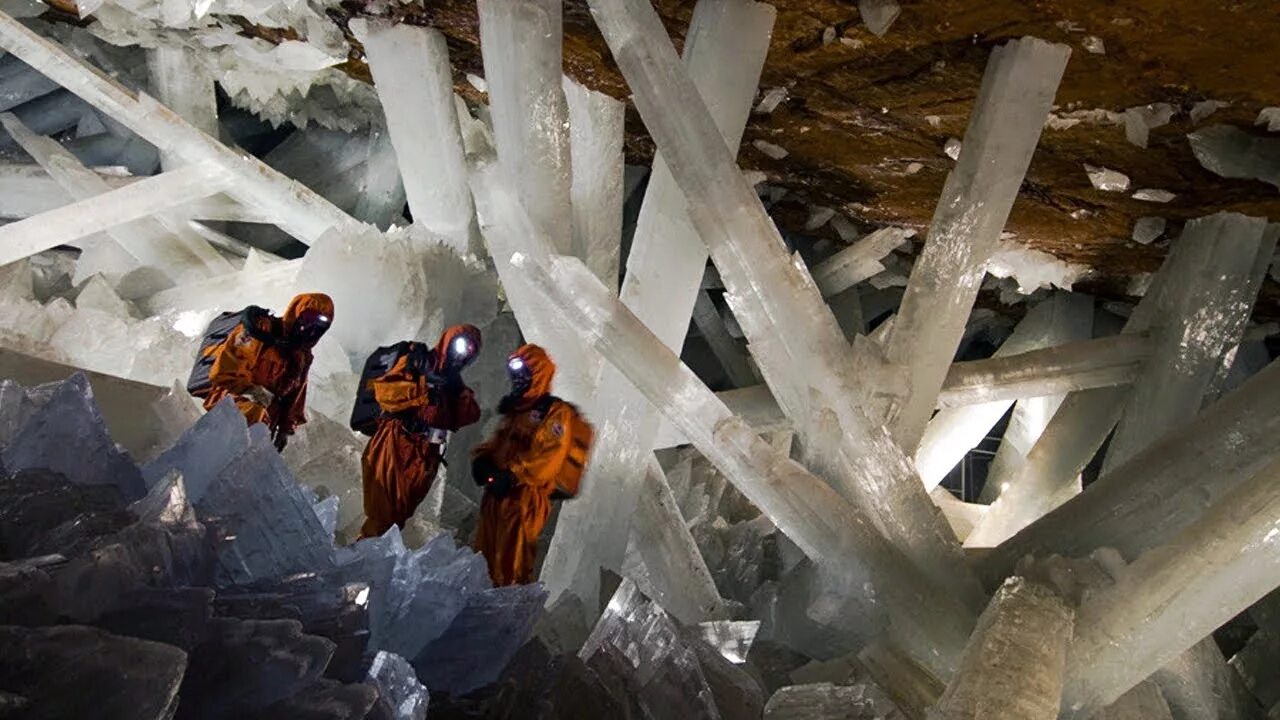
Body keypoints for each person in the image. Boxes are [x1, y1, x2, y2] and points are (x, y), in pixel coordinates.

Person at [471, 344, 593, 586]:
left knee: (511, 567)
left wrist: (513, 475)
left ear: (537, 374)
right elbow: (499, 442)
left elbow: (548, 457)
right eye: (514, 375)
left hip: (525, 499)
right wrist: (482, 460)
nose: (517, 380)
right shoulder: (517, 411)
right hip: (498, 496)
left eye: (522, 374)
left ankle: (506, 618)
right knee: (483, 563)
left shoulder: (555, 412)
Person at [358, 325, 483, 540]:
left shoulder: (453, 386)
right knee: (381, 515)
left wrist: (453, 387)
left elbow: (470, 414)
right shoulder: (416, 361)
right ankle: (362, 558)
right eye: (462, 345)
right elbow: (386, 393)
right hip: (396, 441)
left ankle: (371, 561)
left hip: (425, 455)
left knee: (397, 519)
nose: (463, 353)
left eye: (470, 351)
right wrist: (423, 386)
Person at [202, 293, 334, 452]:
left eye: (319, 324)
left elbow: (295, 397)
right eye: (309, 318)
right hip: (232, 402)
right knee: (253, 413)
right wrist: (251, 391)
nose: (311, 326)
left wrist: (285, 430)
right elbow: (224, 370)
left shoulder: (302, 356)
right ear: (297, 312)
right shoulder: (261, 329)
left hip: (265, 421)